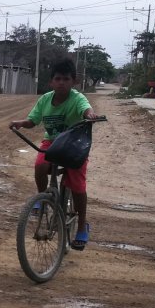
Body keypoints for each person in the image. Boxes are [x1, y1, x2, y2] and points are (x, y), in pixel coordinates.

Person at [9, 59, 98, 250]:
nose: (61, 83)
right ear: (51, 82)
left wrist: (90, 115)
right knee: (40, 165)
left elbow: (86, 109)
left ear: (73, 81)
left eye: (66, 79)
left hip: (75, 144)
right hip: (53, 143)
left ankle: (82, 226)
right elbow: (33, 121)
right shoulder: (45, 99)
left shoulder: (77, 98)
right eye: (57, 79)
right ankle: (42, 199)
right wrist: (20, 123)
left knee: (77, 184)